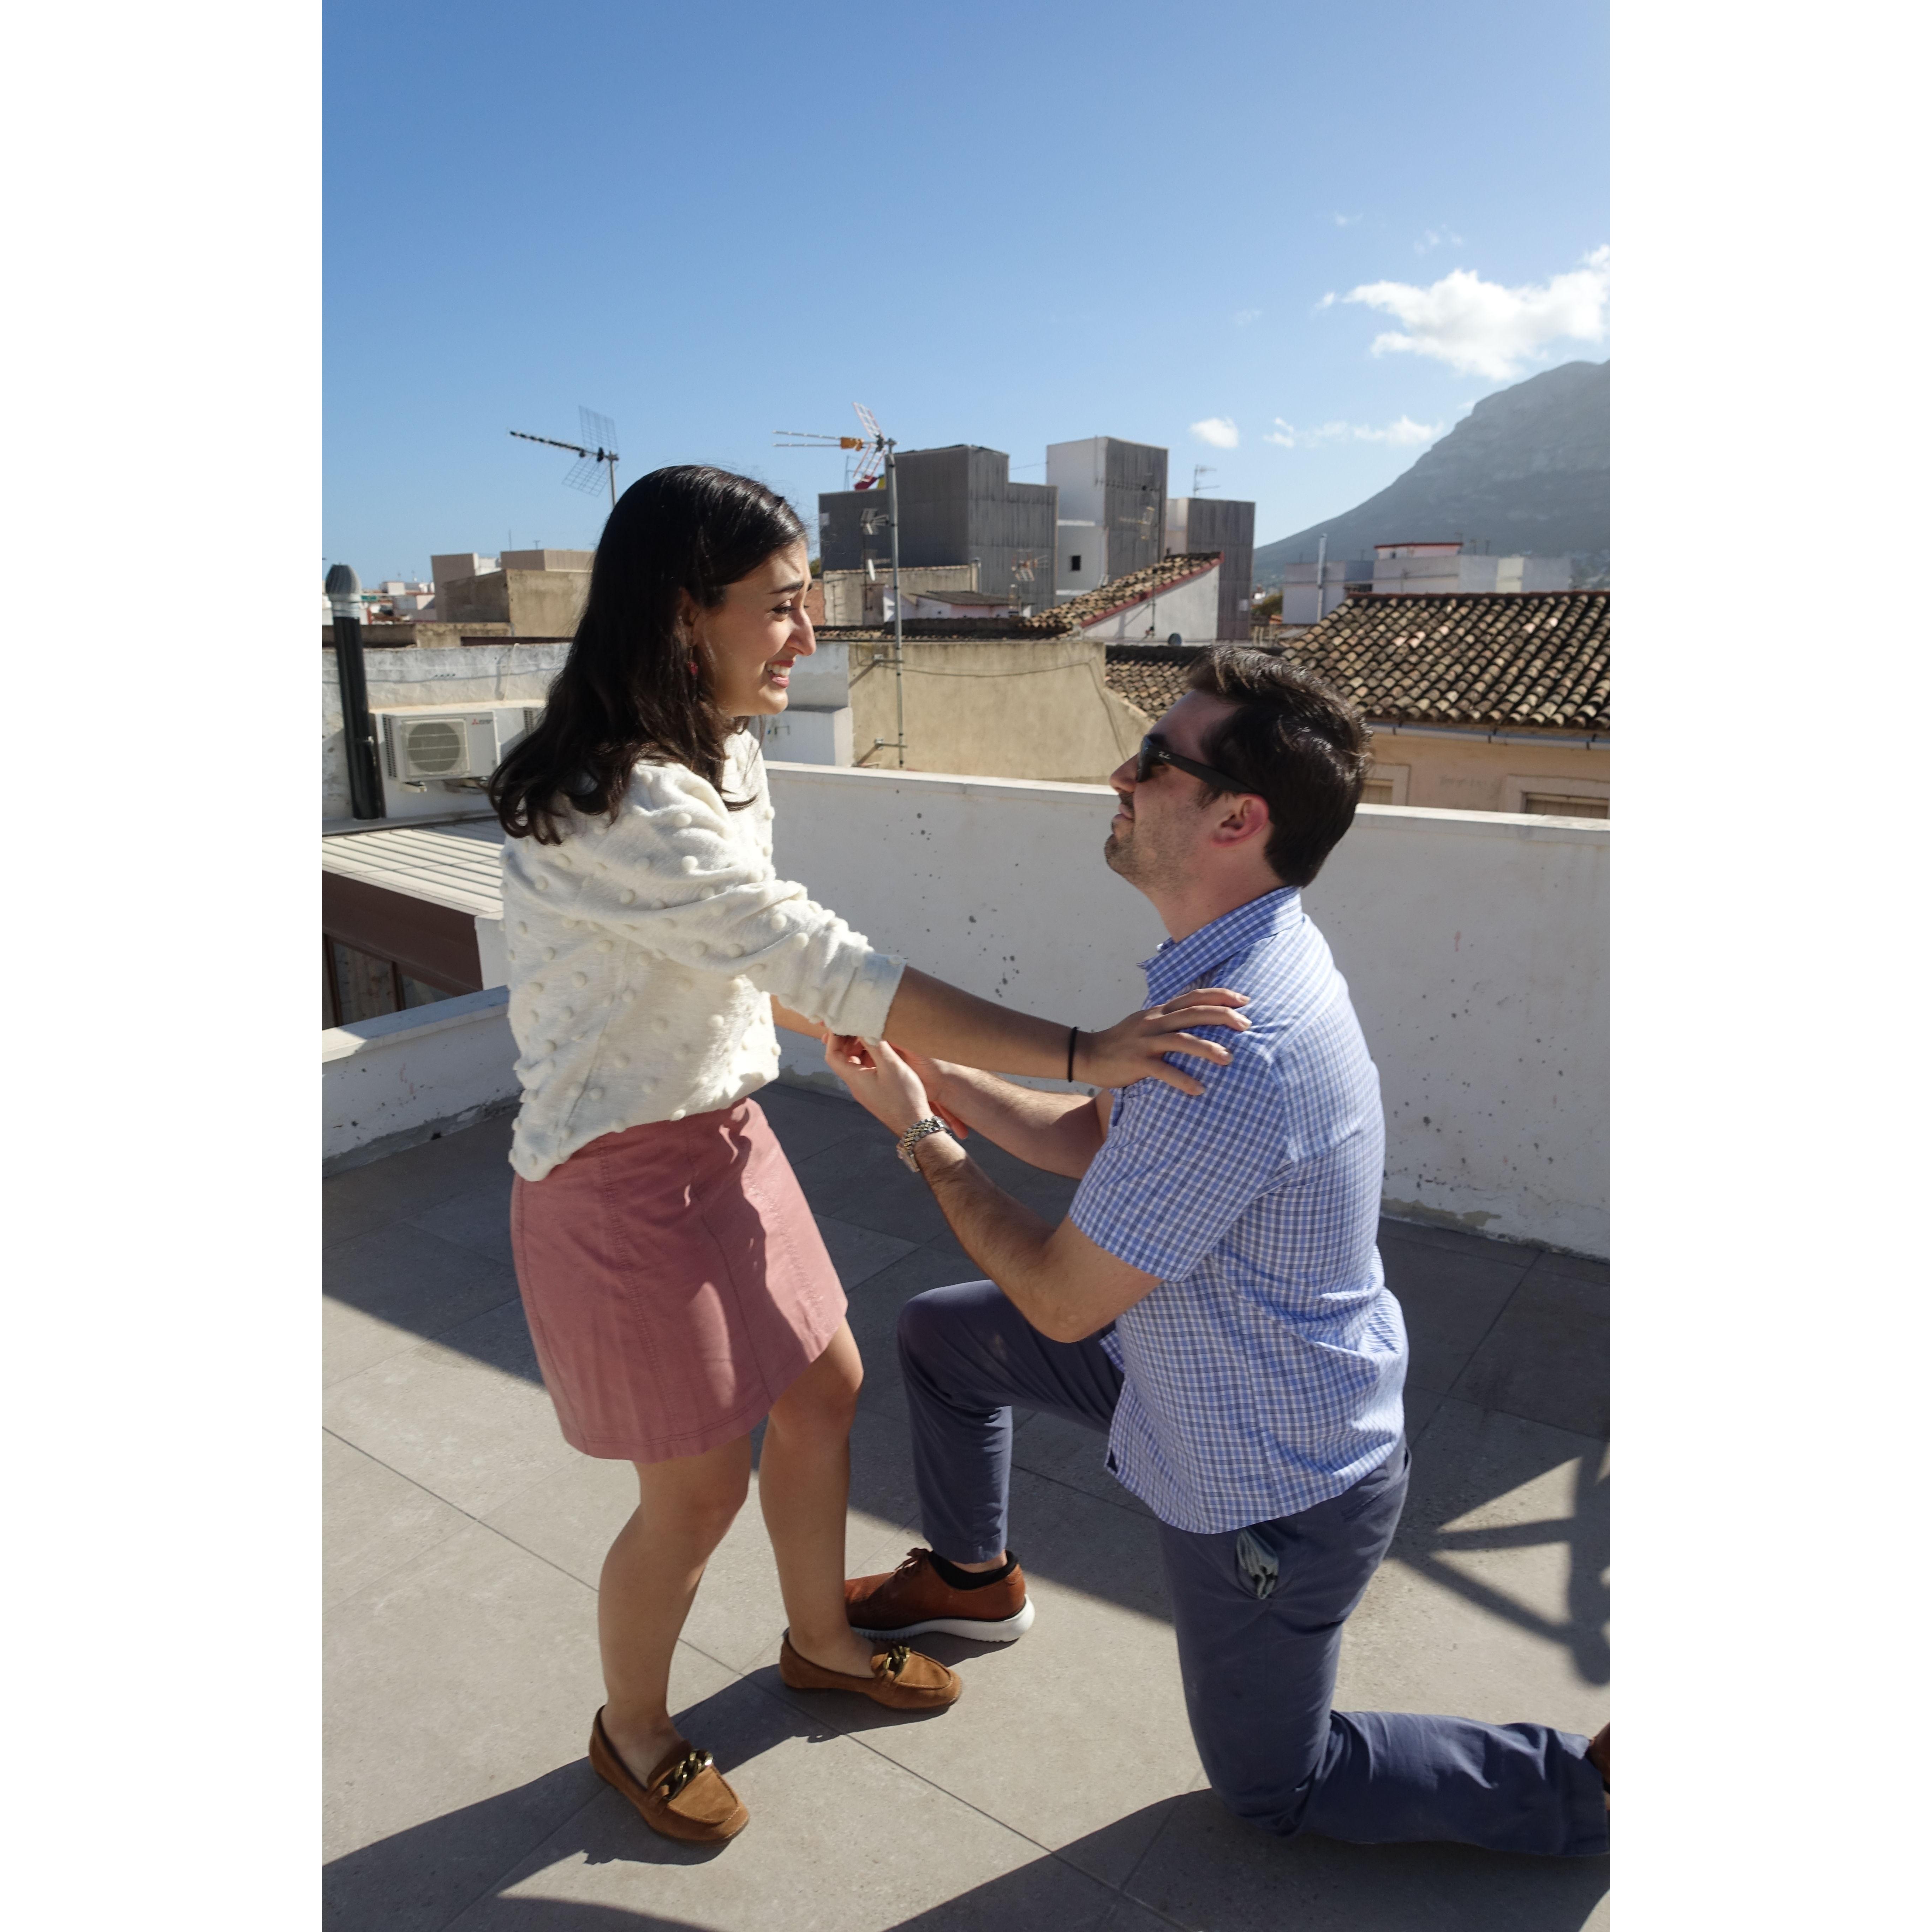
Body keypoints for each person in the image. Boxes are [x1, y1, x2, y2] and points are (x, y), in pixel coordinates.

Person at [485, 465, 1248, 1845]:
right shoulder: (618, 803)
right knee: (698, 1486)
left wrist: (797, 1017)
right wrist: (1084, 1051)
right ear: (682, 616)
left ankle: (819, 1637)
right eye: (781, 608)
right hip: (612, 1174)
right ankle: (634, 1727)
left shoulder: (729, 754)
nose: (808, 639)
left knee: (827, 1385)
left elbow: (747, 951)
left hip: (723, 1130)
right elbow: (814, 953)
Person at [824, 646, 1610, 1858]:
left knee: (1273, 1788)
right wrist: (956, 1082)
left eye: (1153, 761)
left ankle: (1590, 1789)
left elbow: (1065, 1299)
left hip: (1272, 1472)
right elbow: (1099, 1133)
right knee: (945, 1336)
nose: (1118, 773)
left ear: (1239, 818)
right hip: (1183, 1358)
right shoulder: (1234, 967)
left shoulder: (1238, 1045)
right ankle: (972, 1583)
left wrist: (923, 1137)